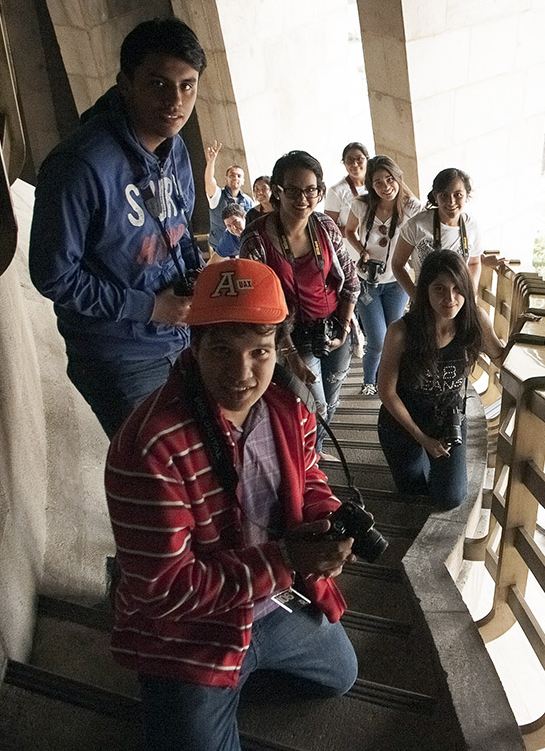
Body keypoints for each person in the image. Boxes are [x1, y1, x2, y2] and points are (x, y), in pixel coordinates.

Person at [106, 257, 358, 751]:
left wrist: (325, 518)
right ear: (194, 345)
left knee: (343, 674)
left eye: (259, 352)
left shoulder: (290, 407)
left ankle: (230, 681)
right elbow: (166, 591)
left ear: (278, 348)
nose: (241, 373)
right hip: (189, 630)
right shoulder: (151, 445)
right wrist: (288, 559)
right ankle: (179, 689)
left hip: (273, 604)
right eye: (221, 350)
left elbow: (308, 476)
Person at [30, 17, 207, 437]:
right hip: (120, 357)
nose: (176, 101)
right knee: (157, 480)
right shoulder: (79, 166)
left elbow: (177, 226)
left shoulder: (174, 147)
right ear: (125, 83)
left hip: (178, 337)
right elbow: (53, 276)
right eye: (159, 83)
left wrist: (197, 276)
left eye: (188, 85)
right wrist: (149, 308)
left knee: (200, 461)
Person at [378, 250, 530, 510]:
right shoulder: (401, 331)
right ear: (424, 290)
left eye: (457, 289)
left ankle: (432, 461)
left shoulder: (475, 321)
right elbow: (387, 392)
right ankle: (421, 457)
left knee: (449, 498)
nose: (450, 299)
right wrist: (421, 438)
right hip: (402, 423)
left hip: (445, 420)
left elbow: (499, 357)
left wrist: (520, 329)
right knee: (411, 492)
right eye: (439, 289)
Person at [241, 151, 358, 456]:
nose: (303, 199)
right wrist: (289, 352)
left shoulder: (325, 228)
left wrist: (344, 328)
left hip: (334, 329)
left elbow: (352, 280)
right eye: (292, 190)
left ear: (320, 192)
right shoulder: (256, 238)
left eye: (311, 190)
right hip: (293, 337)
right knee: (313, 405)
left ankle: (315, 452)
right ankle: (309, 463)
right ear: (277, 191)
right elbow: (254, 304)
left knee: (330, 399)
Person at [344, 155, 422, 396]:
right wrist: (361, 251)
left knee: (395, 335)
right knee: (377, 339)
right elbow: (349, 231)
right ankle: (370, 382)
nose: (385, 186)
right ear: (370, 185)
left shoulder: (411, 207)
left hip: (397, 282)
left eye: (390, 179)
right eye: (378, 182)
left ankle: (392, 383)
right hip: (368, 282)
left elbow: (426, 234)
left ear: (398, 178)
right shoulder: (361, 204)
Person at [392, 167, 483, 301]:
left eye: (458, 194)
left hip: (458, 301)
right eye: (444, 195)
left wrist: (470, 294)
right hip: (427, 300)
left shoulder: (472, 226)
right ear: (435, 197)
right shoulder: (416, 225)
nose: (451, 201)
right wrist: (415, 296)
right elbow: (397, 264)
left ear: (467, 196)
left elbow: (475, 263)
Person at [204, 141, 255, 259]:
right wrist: (211, 161)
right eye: (232, 175)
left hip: (242, 249)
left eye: (239, 176)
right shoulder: (217, 195)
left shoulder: (248, 201)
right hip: (221, 251)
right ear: (226, 178)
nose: (235, 178)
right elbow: (209, 181)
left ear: (243, 181)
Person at [323, 142, 369, 230]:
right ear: (344, 163)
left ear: (367, 160)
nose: (355, 164)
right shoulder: (336, 191)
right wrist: (354, 231)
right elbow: (328, 229)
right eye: (349, 160)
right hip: (349, 243)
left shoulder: (376, 185)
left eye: (359, 159)